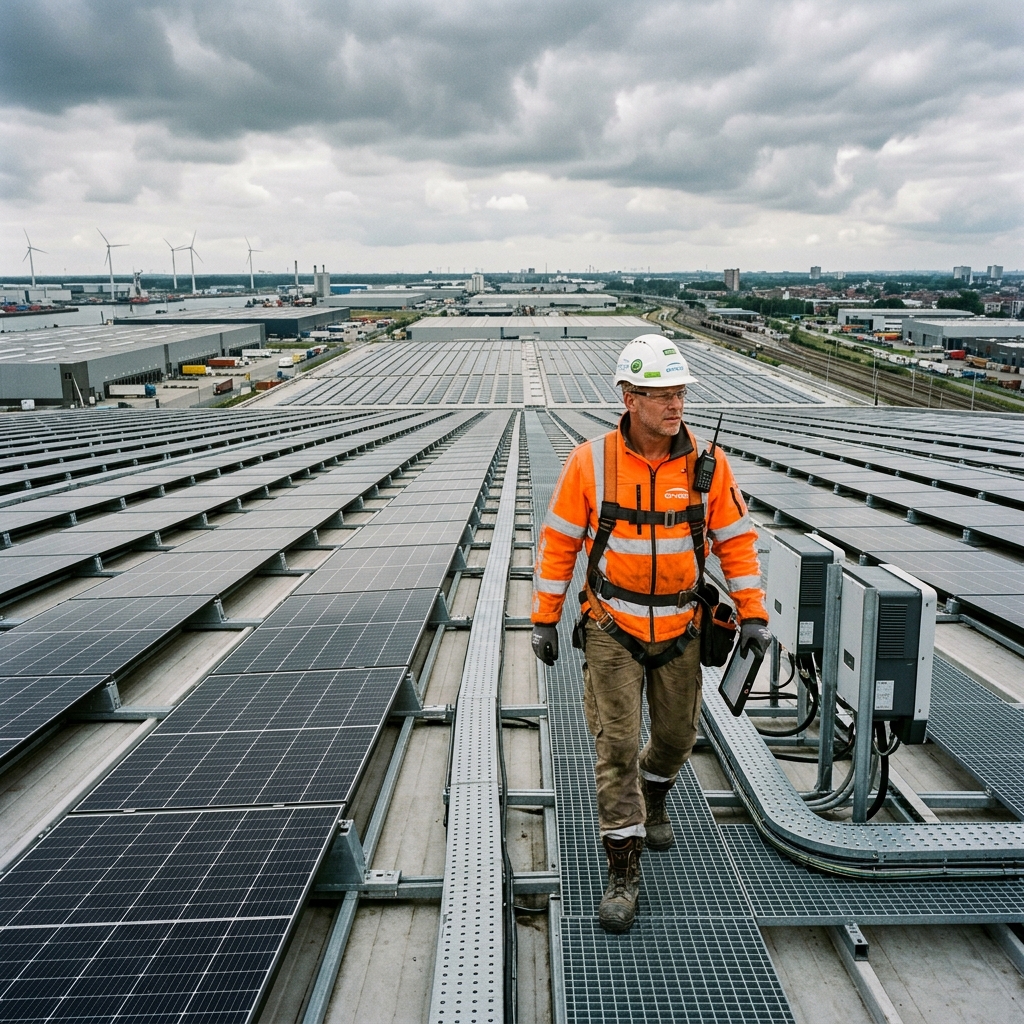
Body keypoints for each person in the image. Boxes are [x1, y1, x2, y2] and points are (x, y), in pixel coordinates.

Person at [530, 335, 770, 933]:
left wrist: (754, 613)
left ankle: (655, 794)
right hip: (612, 627)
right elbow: (559, 544)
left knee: (675, 738)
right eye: (662, 395)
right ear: (629, 398)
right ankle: (623, 868)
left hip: (682, 628)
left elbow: (736, 542)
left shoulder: (708, 465)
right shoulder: (590, 463)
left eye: (680, 393)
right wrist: (544, 617)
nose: (675, 405)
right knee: (616, 748)